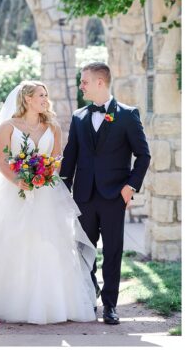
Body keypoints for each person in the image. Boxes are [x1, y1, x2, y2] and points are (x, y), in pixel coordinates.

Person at [0, 81, 97, 324]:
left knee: (49, 242)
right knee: (15, 241)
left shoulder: (53, 126)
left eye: (46, 95)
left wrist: (45, 174)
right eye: (41, 95)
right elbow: (0, 160)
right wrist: (19, 181)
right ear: (27, 99)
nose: (45, 99)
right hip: (14, 192)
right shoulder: (8, 127)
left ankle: (54, 302)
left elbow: (57, 159)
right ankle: (10, 298)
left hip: (47, 193)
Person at [60, 63, 151, 325]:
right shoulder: (79, 116)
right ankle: (89, 295)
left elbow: (143, 155)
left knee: (113, 250)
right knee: (83, 249)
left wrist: (130, 187)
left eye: (84, 81)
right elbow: (70, 157)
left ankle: (111, 305)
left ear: (100, 82)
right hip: (84, 196)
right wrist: (64, 192)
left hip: (114, 196)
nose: (81, 86)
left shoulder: (127, 115)